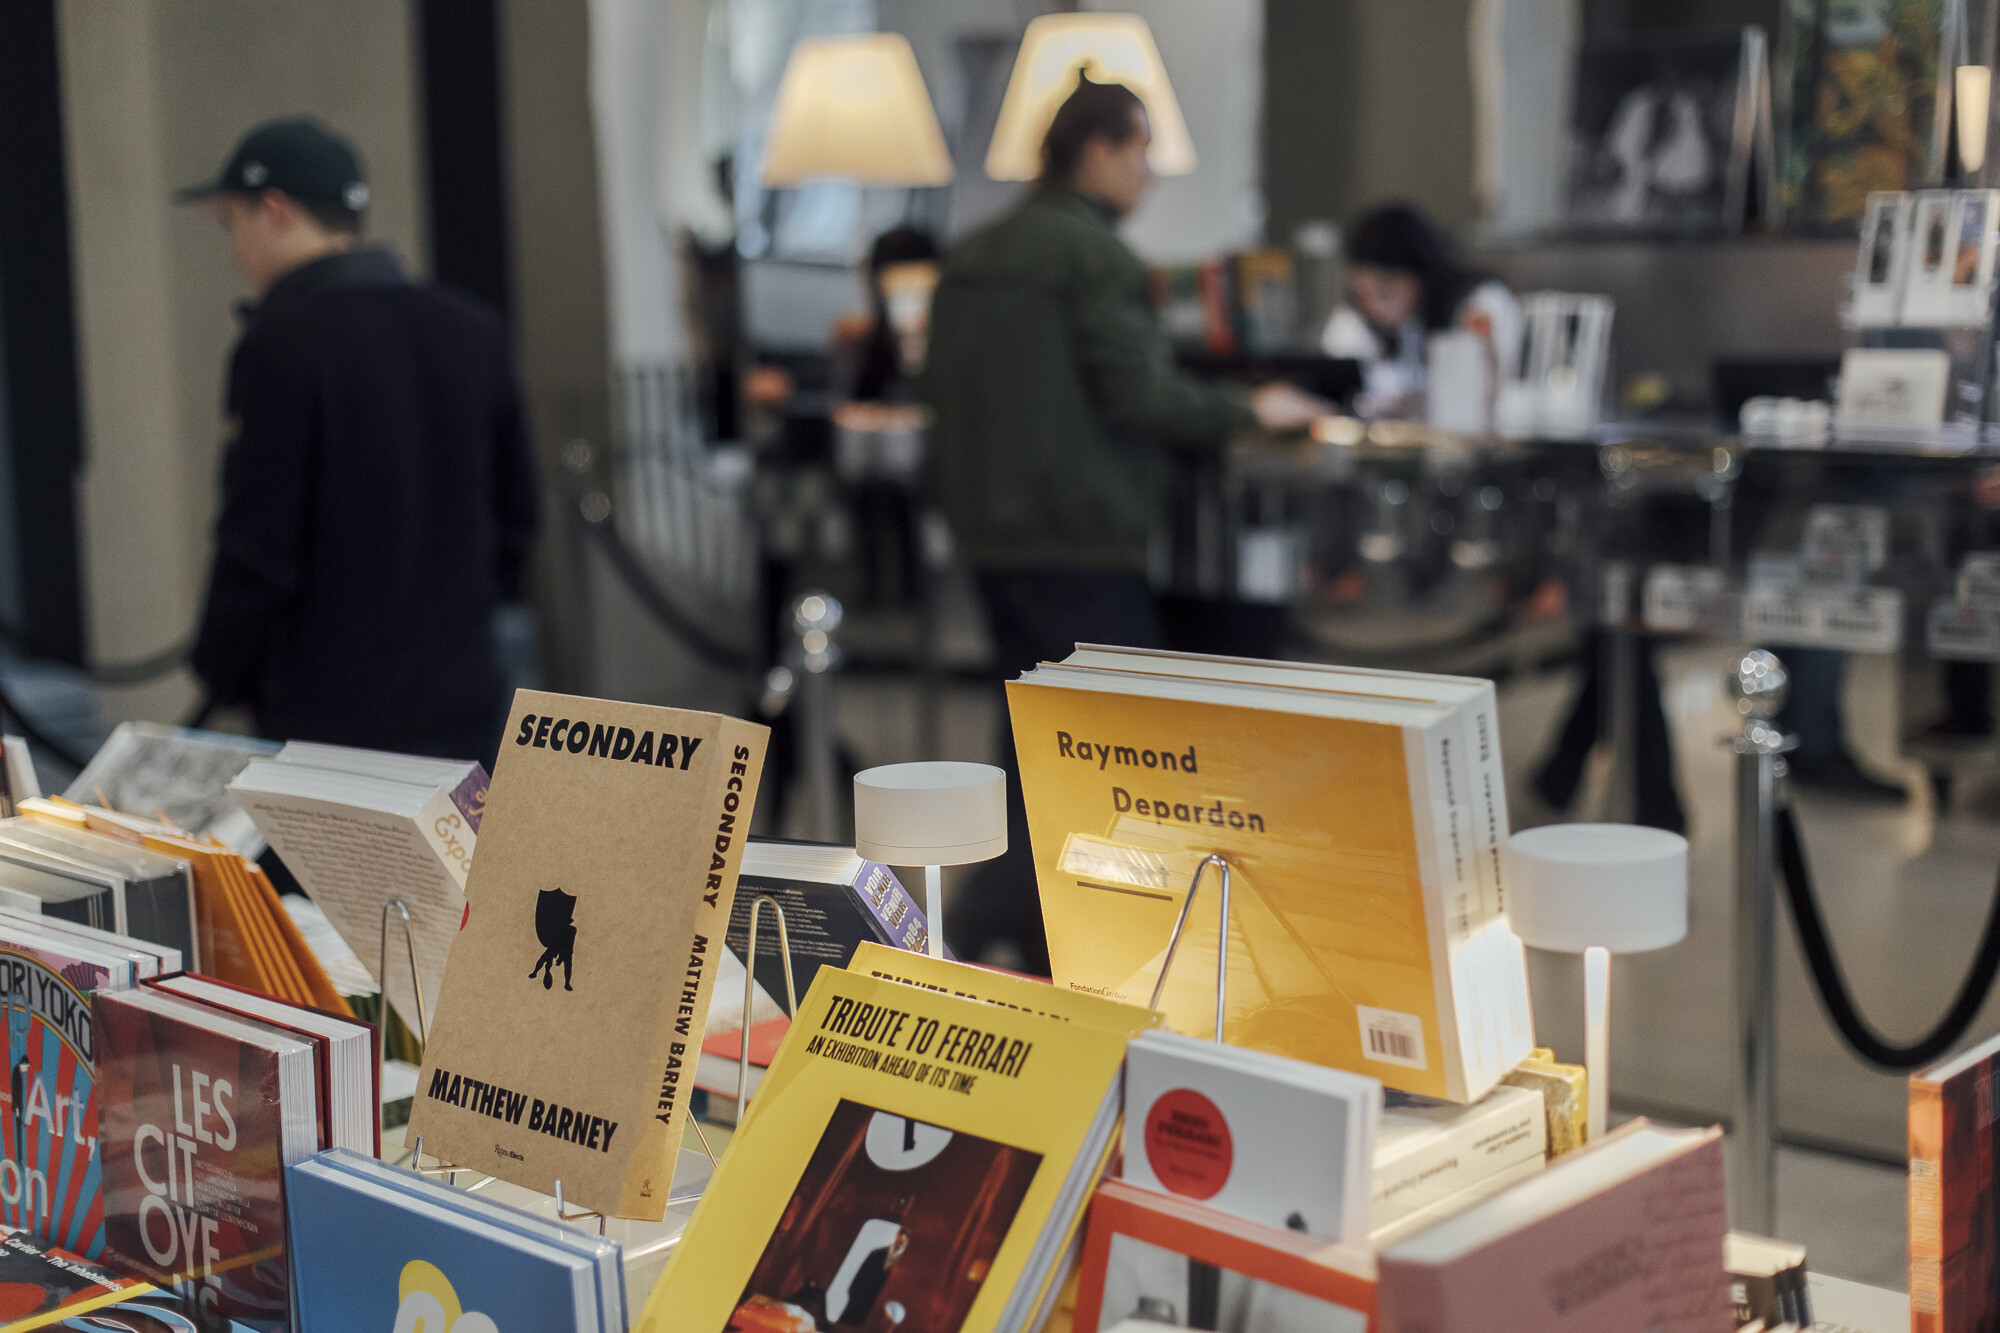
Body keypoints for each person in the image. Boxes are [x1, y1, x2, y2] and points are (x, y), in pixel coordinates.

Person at [925, 74, 1329, 971]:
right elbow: (1142, 394)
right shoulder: (1095, 256)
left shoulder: (972, 254)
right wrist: (1252, 410)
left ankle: (1005, 929)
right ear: (1098, 150)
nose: (1149, 172)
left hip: (990, 535)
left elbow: (939, 392)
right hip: (1083, 536)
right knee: (1107, 753)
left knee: (1028, 735)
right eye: (1141, 150)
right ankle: (1034, 937)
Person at [184, 117, 540, 763]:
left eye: (231, 223)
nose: (233, 250)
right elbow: (518, 519)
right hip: (464, 696)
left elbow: (259, 545)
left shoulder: (281, 344)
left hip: (329, 715)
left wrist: (221, 670)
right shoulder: (472, 329)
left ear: (275, 211)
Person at [1321, 203, 1523, 419]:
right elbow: (1334, 383)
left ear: (1423, 274)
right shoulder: (1358, 316)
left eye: (1385, 293)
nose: (1374, 307)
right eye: (1362, 294)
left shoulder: (1479, 305)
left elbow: (1500, 396)